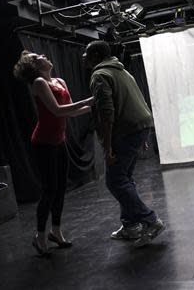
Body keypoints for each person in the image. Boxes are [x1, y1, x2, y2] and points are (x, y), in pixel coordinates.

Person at [82, 40, 165, 247]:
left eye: (86, 53)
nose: (83, 56)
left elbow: (106, 114)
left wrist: (108, 147)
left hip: (126, 131)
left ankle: (150, 220)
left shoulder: (100, 75)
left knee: (115, 181)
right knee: (125, 177)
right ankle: (130, 225)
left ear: (96, 56)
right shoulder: (122, 71)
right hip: (139, 127)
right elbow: (140, 99)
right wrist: (143, 134)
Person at [13, 50, 94, 256]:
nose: (43, 55)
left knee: (60, 189)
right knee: (49, 190)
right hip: (43, 142)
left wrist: (92, 107)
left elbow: (70, 111)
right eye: (37, 56)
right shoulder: (39, 83)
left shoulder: (60, 81)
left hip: (59, 141)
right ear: (35, 65)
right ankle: (40, 237)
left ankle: (56, 232)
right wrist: (92, 100)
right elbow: (58, 110)